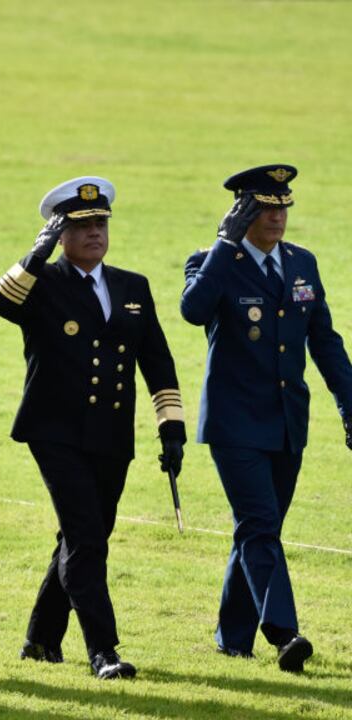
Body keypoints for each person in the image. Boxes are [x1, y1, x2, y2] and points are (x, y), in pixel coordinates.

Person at [0, 176, 184, 679]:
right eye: (81, 226)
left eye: (100, 223)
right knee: (87, 538)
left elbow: (157, 361)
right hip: (54, 430)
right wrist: (36, 254)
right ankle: (104, 651)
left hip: (111, 433)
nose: (95, 232)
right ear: (60, 233)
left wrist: (171, 427)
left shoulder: (131, 286)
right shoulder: (43, 283)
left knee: (86, 536)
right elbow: (0, 303)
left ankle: (40, 639)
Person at [181, 165, 352, 673]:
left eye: (282, 207)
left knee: (259, 527)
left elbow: (324, 341)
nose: (276, 217)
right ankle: (283, 631)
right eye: (264, 208)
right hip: (234, 423)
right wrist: (223, 244)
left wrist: (349, 405)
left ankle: (232, 636)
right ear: (242, 212)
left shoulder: (302, 263)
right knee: (259, 525)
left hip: (286, 422)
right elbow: (193, 311)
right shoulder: (212, 262)